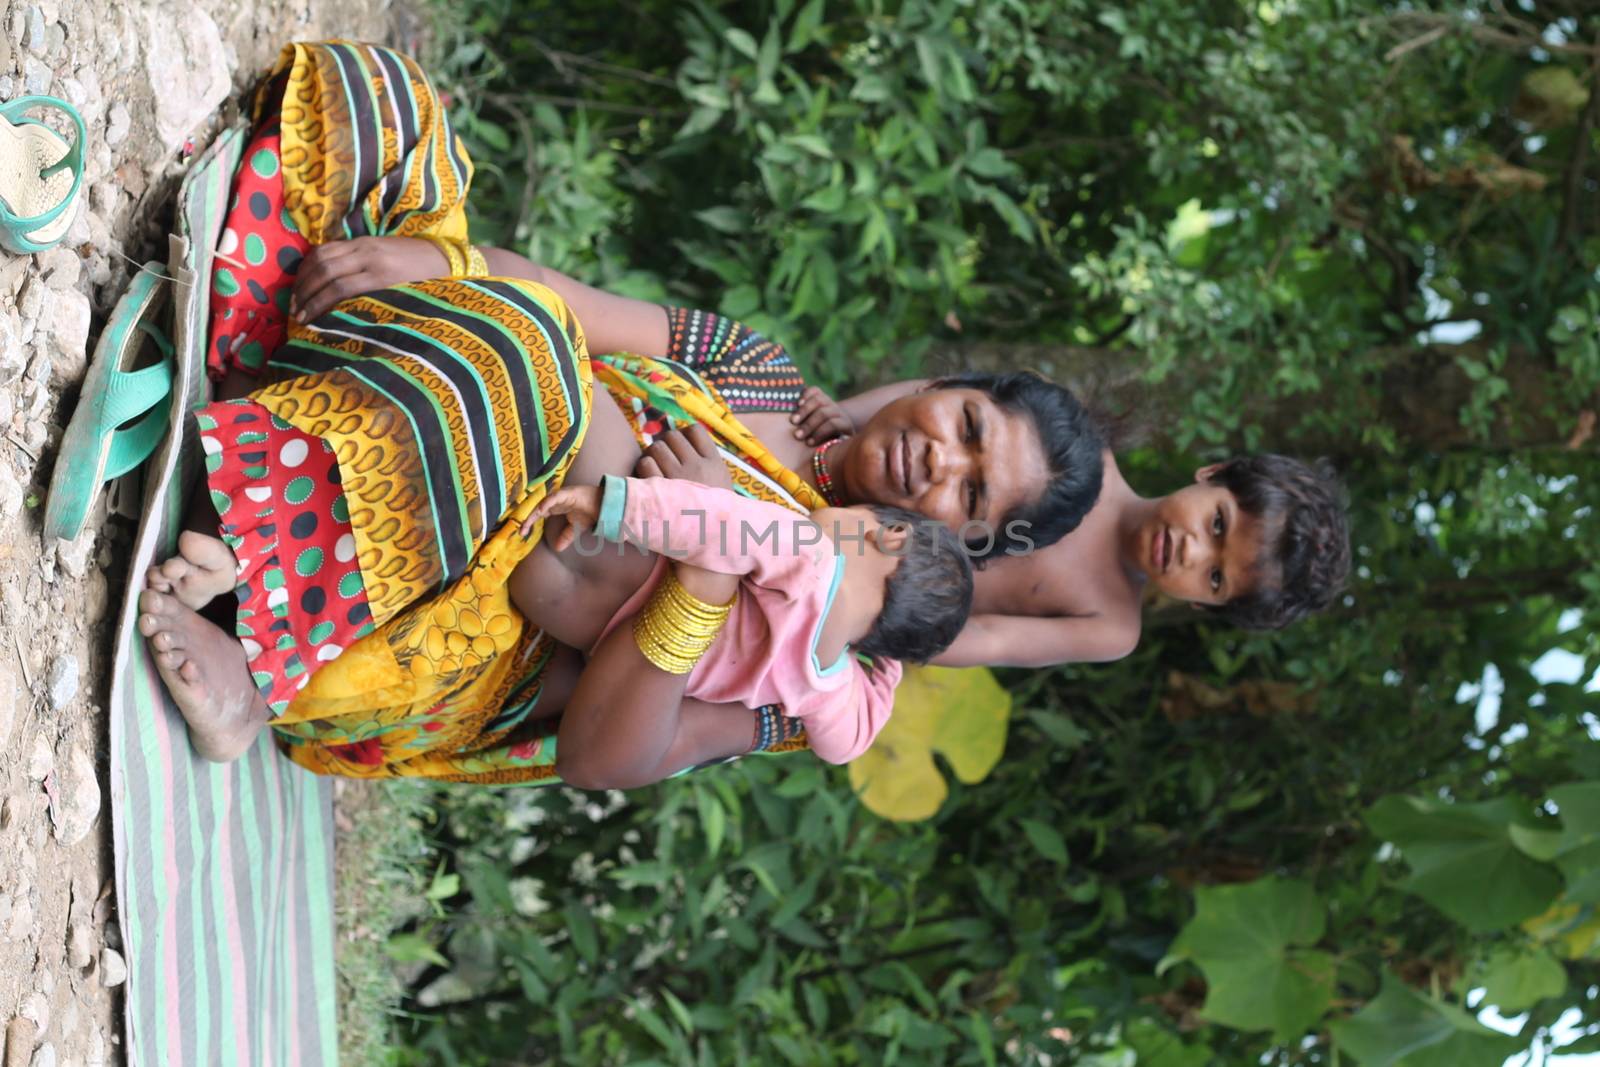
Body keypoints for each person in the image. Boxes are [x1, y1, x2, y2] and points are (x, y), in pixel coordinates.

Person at [136, 41, 1104, 783]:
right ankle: (263, 454)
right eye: (967, 429)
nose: (940, 463)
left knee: (524, 366)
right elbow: (561, 297)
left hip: (443, 627)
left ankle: (262, 657)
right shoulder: (759, 372)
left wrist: (703, 577)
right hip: (451, 374)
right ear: (938, 391)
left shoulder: (813, 651)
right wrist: (443, 264)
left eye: (968, 497)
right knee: (382, 110)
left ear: (946, 545)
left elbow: (598, 755)